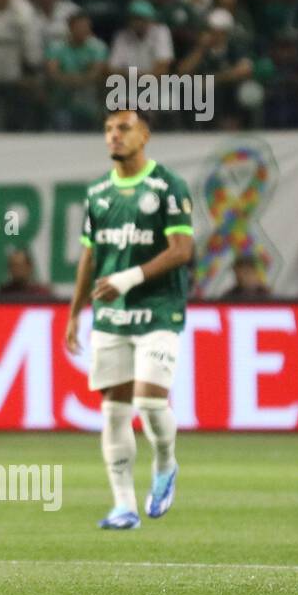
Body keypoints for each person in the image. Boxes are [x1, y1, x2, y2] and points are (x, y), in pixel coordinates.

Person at [65, 107, 194, 530]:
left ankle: (165, 463)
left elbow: (181, 250)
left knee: (150, 401)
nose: (114, 136)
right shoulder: (98, 192)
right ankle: (124, 506)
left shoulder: (168, 186)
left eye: (124, 128)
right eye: (108, 129)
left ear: (145, 135)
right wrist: (74, 312)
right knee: (114, 412)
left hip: (159, 309)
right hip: (111, 317)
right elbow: (89, 255)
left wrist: (129, 277)